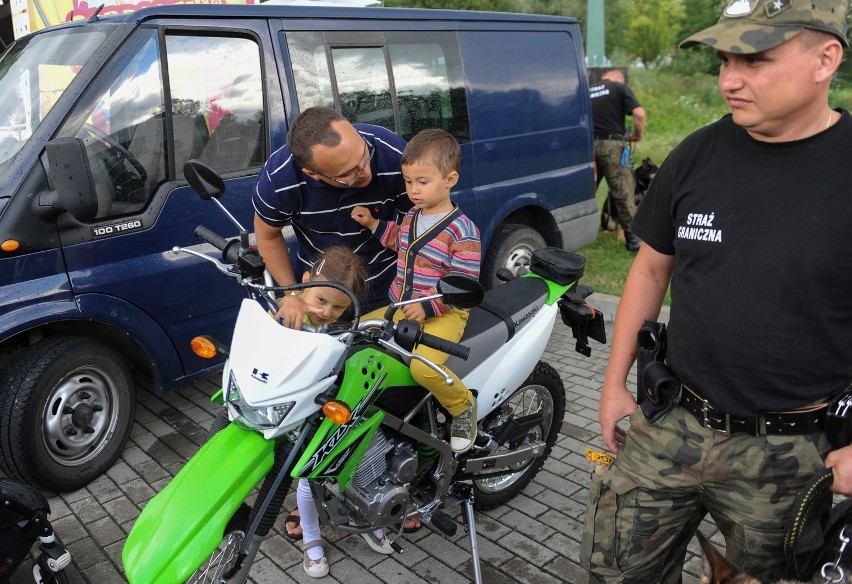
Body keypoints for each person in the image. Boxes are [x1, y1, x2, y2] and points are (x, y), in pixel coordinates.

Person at [581, 1, 852, 582]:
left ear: (825, 59)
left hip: (790, 452)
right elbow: (651, 271)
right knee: (612, 569)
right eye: (726, 59)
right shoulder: (698, 152)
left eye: (754, 59)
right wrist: (612, 386)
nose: (730, 79)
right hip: (671, 419)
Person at [351, 128, 481, 454]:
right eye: (408, 181)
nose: (413, 190)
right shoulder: (411, 215)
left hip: (444, 316)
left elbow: (463, 283)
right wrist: (372, 225)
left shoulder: (463, 231)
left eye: (423, 182)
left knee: (422, 368)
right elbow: (398, 240)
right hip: (401, 306)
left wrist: (430, 308)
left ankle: (462, 407)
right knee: (355, 333)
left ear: (450, 179)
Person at [252, 106, 412, 329]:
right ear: (312, 174)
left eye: (364, 157)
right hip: (319, 295)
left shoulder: (394, 154)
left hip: (387, 288)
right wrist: (293, 294)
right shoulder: (278, 179)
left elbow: (418, 228)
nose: (366, 172)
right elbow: (267, 235)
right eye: (347, 173)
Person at [589, 68, 647, 252]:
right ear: (618, 78)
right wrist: (638, 135)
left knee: (587, 191)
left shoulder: (588, 90)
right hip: (612, 146)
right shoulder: (619, 87)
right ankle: (634, 239)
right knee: (623, 191)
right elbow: (639, 114)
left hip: (587, 146)